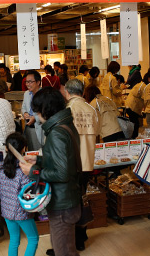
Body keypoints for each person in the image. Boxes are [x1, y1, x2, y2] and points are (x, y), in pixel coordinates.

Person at [20, 87, 81, 256]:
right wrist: (39, 160)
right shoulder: (64, 124)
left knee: (64, 250)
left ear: (45, 110)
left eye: (37, 111)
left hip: (63, 202)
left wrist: (33, 171)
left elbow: (62, 173)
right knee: (64, 246)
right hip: (67, 198)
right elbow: (64, 161)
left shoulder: (57, 133)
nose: (36, 115)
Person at [64, 79, 99, 251]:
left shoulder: (67, 110)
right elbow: (97, 133)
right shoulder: (91, 109)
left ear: (67, 92)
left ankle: (75, 241)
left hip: (71, 164)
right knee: (82, 197)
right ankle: (82, 235)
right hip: (87, 162)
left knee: (71, 203)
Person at [0, 133, 39, 256]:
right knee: (33, 239)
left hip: (6, 211)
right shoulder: (24, 170)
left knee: (14, 240)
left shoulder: (0, 168)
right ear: (24, 149)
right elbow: (29, 192)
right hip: (22, 212)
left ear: (6, 148)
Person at [21, 70, 44, 151]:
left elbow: (46, 112)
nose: (28, 84)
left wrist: (35, 118)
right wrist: (25, 113)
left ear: (38, 82)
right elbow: (23, 107)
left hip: (39, 128)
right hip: (28, 127)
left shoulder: (44, 95)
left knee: (39, 152)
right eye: (26, 82)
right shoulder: (26, 94)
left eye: (30, 82)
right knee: (30, 151)